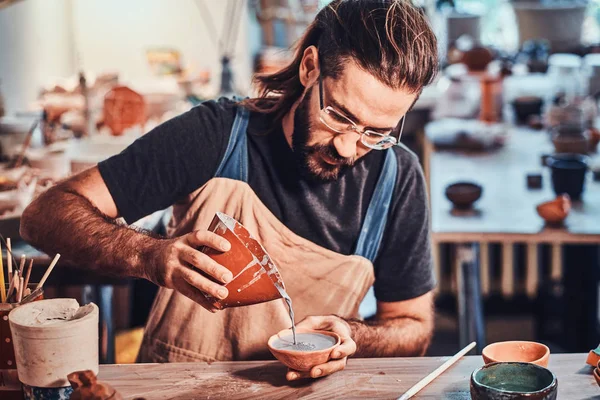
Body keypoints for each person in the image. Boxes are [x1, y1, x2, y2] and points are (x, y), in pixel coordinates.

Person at [21, 0, 438, 381]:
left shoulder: (396, 179)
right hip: (181, 387)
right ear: (310, 67)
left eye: (376, 133)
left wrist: (354, 336)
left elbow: (413, 327)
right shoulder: (215, 136)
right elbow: (45, 214)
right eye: (339, 117)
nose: (349, 147)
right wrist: (149, 254)